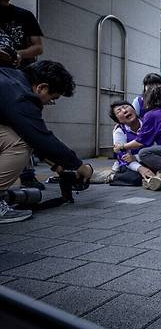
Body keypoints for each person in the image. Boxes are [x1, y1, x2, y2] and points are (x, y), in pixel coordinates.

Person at [0, 61, 93, 223]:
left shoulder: (9, 77)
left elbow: (31, 133)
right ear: (41, 88)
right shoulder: (21, 96)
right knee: (19, 142)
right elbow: (39, 137)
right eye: (52, 98)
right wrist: (80, 166)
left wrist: (57, 165)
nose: (49, 103)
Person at [0, 0, 47, 190]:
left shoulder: (24, 15)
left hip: (21, 80)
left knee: (26, 124)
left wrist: (19, 54)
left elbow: (38, 46)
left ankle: (27, 173)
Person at [104, 101, 155, 185]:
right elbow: (124, 158)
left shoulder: (148, 123)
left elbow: (157, 148)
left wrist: (136, 157)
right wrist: (140, 168)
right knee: (136, 178)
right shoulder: (119, 131)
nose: (124, 111)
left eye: (125, 107)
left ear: (134, 109)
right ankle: (113, 177)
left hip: (149, 159)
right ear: (118, 120)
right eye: (119, 111)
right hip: (129, 164)